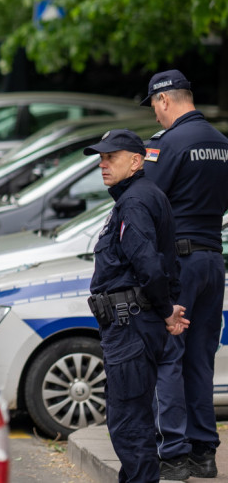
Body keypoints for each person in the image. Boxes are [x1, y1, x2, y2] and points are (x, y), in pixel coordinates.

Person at [83, 128, 189, 483]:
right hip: (135, 322)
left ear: (136, 160)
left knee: (128, 423)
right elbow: (166, 262)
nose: (103, 165)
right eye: (101, 158)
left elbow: (149, 263)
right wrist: (166, 308)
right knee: (133, 420)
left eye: (111, 157)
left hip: (130, 324)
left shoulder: (135, 201)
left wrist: (164, 310)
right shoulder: (144, 196)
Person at [138, 70, 228, 480]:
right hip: (213, 259)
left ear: (164, 101)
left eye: (155, 109)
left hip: (180, 263)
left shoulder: (168, 144)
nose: (156, 117)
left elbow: (146, 199)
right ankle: (205, 452)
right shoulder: (222, 144)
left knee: (169, 356)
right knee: (200, 359)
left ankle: (173, 454)